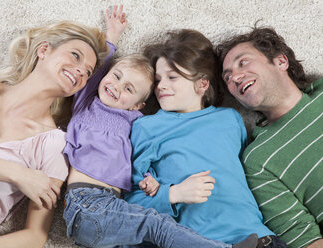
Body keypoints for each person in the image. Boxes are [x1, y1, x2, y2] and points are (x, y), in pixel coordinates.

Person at [62, 7, 258, 248]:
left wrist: (150, 182)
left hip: (113, 205)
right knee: (156, 226)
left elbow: (137, 169)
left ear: (138, 106)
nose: (116, 86)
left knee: (148, 231)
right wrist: (111, 36)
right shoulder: (88, 105)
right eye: (116, 76)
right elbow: (97, 71)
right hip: (87, 201)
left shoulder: (134, 122)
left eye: (129, 89)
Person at [124, 29, 287, 248]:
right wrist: (173, 193)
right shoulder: (147, 127)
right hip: (203, 241)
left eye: (172, 77)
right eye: (158, 79)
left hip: (259, 237)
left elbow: (248, 175)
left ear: (202, 84)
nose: (161, 85)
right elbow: (129, 204)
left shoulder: (230, 119)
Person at [0, 20, 106, 247]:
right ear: (43, 50)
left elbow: (35, 236)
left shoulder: (55, 146)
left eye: (88, 72)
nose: (82, 70)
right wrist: (20, 174)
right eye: (75, 55)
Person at [216, 26, 323, 248]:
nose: (234, 77)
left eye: (243, 62)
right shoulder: (257, 161)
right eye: (227, 77)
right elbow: (304, 239)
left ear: (281, 61)